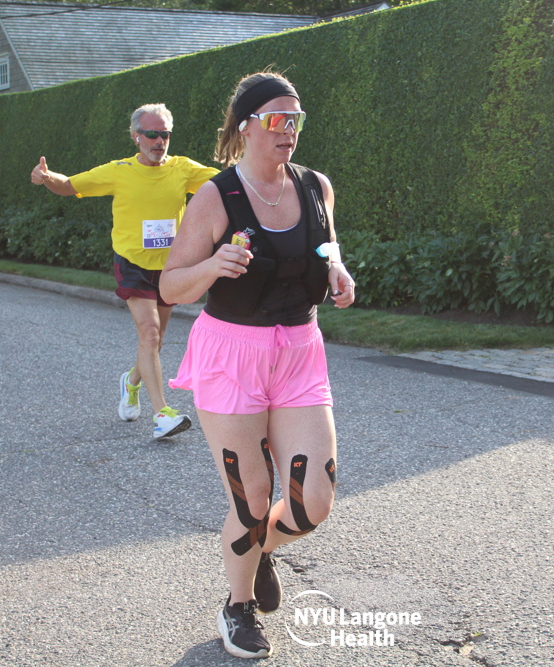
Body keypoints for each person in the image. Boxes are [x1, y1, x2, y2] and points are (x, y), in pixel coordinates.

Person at [160, 72, 355, 659]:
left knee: (312, 502)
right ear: (245, 127)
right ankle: (238, 607)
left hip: (300, 353)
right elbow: (171, 285)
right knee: (251, 500)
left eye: (296, 120)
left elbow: (325, 244)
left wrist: (337, 270)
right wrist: (212, 265)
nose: (288, 130)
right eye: (276, 119)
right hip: (231, 356)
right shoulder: (216, 197)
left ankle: (261, 548)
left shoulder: (316, 186)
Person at [30, 103, 219, 439]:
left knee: (156, 341)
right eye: (152, 134)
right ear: (136, 137)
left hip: (170, 268)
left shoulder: (183, 169)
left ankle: (131, 383)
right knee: (149, 334)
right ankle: (162, 414)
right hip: (132, 263)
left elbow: (227, 184)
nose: (159, 141)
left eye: (165, 135)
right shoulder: (119, 171)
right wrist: (47, 178)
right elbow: (70, 184)